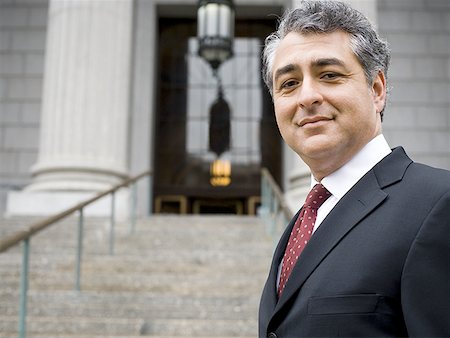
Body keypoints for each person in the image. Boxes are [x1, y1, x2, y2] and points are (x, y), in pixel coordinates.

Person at [258, 1, 450, 337]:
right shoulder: (303, 224)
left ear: (377, 90)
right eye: (288, 83)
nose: (306, 97)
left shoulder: (438, 204)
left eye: (329, 75)